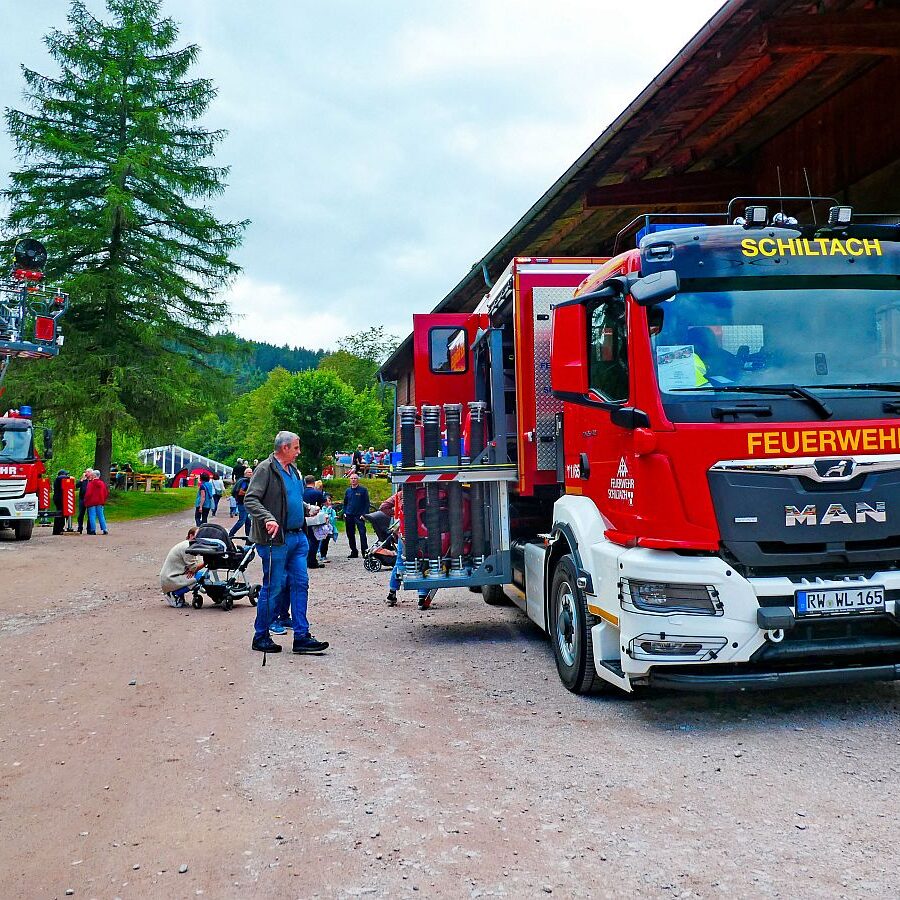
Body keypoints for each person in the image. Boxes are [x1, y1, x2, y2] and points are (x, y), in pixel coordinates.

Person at [244, 431, 329, 655]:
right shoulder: (265, 469)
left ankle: (302, 637)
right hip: (275, 540)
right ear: (284, 448)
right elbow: (250, 499)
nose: (299, 452)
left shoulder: (294, 471)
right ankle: (261, 635)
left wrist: (307, 508)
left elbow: (292, 498)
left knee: (301, 584)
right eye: (296, 448)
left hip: (298, 538)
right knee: (274, 587)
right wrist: (268, 518)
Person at [159, 526, 206, 607]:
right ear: (191, 535)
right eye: (198, 535)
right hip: (171, 579)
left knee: (198, 575)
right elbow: (194, 567)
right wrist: (206, 563)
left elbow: (193, 566)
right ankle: (174, 594)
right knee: (201, 576)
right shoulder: (187, 547)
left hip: (171, 576)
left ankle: (179, 596)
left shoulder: (188, 545)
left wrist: (192, 570)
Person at [342, 472, 370, 558]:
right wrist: (345, 512)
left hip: (359, 516)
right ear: (349, 480)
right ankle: (354, 552)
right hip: (349, 515)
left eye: (355, 478)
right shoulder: (348, 491)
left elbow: (367, 503)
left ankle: (365, 552)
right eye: (352, 478)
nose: (353, 480)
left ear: (358, 480)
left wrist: (364, 514)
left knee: (362, 533)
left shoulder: (363, 490)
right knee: (350, 534)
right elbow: (345, 503)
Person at [303, 475, 326, 569]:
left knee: (304, 539)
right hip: (314, 519)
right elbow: (325, 503)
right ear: (314, 482)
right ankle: (312, 561)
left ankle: (303, 560)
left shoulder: (301, 492)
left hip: (302, 518)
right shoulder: (317, 493)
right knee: (314, 540)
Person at [84, 469, 109, 535]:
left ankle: (93, 530)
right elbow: (105, 493)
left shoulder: (91, 483)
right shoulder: (102, 483)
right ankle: (104, 529)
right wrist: (103, 499)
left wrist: (86, 500)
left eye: (92, 475)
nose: (91, 476)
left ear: (94, 476)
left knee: (92, 516)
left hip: (91, 502)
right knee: (101, 516)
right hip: (100, 502)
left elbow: (88, 493)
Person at [229, 465, 251, 538]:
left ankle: (248, 537)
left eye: (251, 472)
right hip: (242, 503)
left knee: (248, 521)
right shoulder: (244, 481)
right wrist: (250, 493)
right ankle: (231, 533)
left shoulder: (244, 480)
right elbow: (240, 492)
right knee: (242, 520)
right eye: (249, 472)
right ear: (245, 474)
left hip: (246, 503)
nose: (250, 474)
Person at [317, 494, 337, 562]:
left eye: (329, 501)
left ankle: (324, 555)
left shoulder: (333, 511)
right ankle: (320, 554)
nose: (328, 502)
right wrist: (328, 512)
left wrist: (332, 518)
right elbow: (323, 518)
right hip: (322, 529)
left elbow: (332, 521)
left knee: (326, 542)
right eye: (326, 501)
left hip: (329, 529)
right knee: (322, 541)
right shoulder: (321, 510)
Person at [51, 469, 69, 535]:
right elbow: (60, 477)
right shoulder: (58, 479)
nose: (67, 475)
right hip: (59, 499)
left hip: (59, 499)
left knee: (61, 514)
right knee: (60, 514)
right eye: (66, 474)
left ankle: (59, 529)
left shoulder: (58, 480)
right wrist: (69, 477)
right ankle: (57, 530)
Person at [75, 469, 90, 534]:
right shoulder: (83, 480)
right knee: (81, 514)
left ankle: (89, 529)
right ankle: (80, 527)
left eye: (88, 472)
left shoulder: (92, 481)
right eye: (86, 472)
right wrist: (81, 480)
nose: (86, 473)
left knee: (90, 514)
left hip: (89, 500)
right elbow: (76, 486)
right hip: (82, 499)